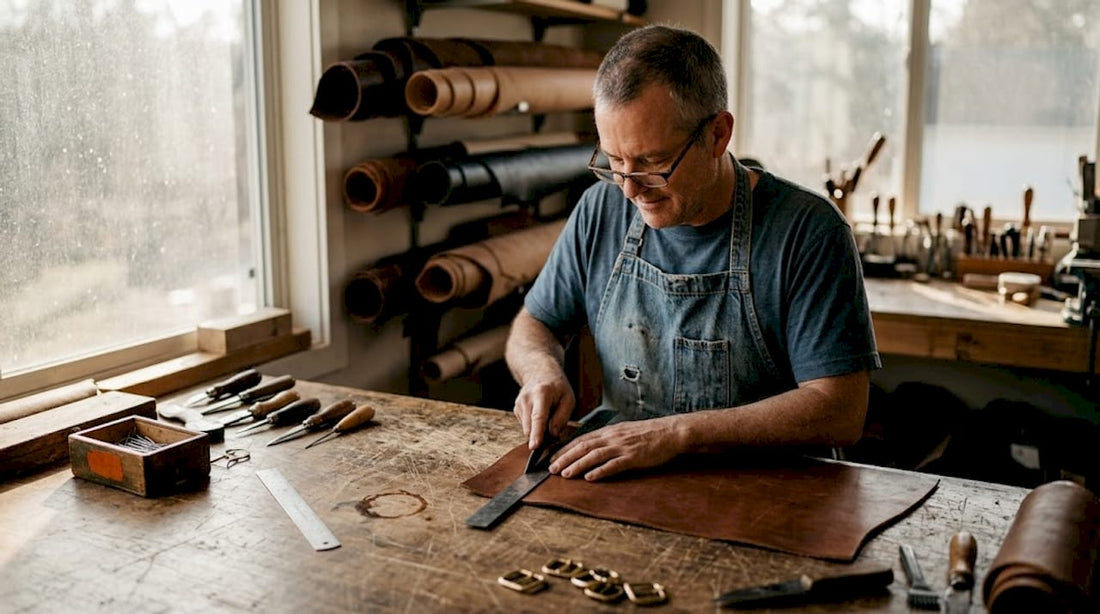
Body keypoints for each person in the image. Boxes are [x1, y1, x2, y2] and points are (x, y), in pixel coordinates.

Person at [505, 24, 881, 482]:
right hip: (624, 487)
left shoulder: (808, 231)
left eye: (650, 163)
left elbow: (839, 409)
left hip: (775, 498)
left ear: (718, 134)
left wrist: (674, 434)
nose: (629, 188)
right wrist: (541, 371)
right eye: (613, 161)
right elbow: (534, 324)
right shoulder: (600, 210)